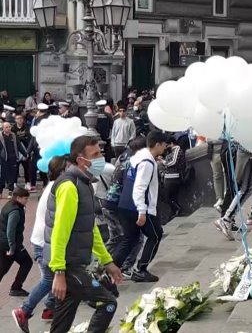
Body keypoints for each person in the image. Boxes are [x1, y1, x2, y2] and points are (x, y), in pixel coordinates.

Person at [44, 136, 121, 332]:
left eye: (100, 153)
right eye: (95, 155)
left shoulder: (84, 183)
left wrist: (107, 261)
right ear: (80, 160)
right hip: (68, 265)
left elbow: (89, 227)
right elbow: (60, 231)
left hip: (74, 262)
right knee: (108, 303)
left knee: (61, 324)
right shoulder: (70, 187)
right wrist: (59, 272)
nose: (100, 158)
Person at [12, 156, 68, 330]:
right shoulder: (59, 188)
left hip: (42, 240)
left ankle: (50, 309)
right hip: (44, 242)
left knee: (51, 278)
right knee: (49, 279)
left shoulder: (52, 186)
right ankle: (24, 310)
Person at [113, 131, 167, 282]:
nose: (164, 148)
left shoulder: (138, 156)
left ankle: (109, 270)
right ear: (157, 144)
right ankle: (141, 269)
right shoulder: (147, 163)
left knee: (129, 238)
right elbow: (140, 187)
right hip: (139, 206)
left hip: (126, 204)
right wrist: (142, 211)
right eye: (163, 145)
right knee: (155, 235)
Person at [102, 137, 146, 280]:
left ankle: (104, 264)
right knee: (133, 237)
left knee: (117, 236)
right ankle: (122, 267)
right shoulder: (133, 163)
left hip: (109, 201)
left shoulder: (122, 159)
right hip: (119, 203)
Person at [214, 141, 252, 239]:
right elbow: (245, 142)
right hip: (249, 155)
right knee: (245, 190)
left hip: (250, 155)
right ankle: (226, 219)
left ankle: (227, 218)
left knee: (247, 188)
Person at [0, 188, 32, 297]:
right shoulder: (15, 211)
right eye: (25, 198)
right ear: (18, 198)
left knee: (3, 268)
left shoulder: (9, 205)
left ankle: (16, 287)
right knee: (27, 262)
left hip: (4, 243)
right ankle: (16, 287)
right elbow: (10, 230)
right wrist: (12, 247)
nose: (27, 200)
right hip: (11, 244)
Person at [160, 137, 186, 220]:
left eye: (167, 145)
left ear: (171, 143)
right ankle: (175, 211)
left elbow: (173, 162)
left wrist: (163, 161)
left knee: (167, 197)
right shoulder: (171, 151)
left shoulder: (177, 150)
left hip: (173, 177)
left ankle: (178, 209)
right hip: (168, 177)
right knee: (171, 197)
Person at [12, 114, 32, 191]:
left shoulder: (27, 127)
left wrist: (21, 139)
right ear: (15, 120)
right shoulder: (13, 128)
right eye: (18, 118)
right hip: (16, 151)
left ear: (23, 119)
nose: (19, 120)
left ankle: (27, 183)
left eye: (21, 118)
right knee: (15, 168)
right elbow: (14, 139)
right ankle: (14, 183)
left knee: (27, 167)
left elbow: (29, 138)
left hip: (26, 150)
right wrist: (22, 138)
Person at [0, 122, 19, 198]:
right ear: (3, 128)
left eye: (9, 127)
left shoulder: (13, 135)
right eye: (6, 127)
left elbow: (19, 145)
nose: (8, 128)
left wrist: (25, 153)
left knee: (12, 176)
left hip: (13, 158)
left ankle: (10, 191)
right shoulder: (0, 136)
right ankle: (0, 191)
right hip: (3, 159)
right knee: (2, 176)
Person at [208, 139, 225, 212]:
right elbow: (208, 140)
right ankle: (219, 198)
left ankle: (226, 195)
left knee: (226, 175)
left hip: (225, 151)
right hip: (214, 153)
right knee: (217, 176)